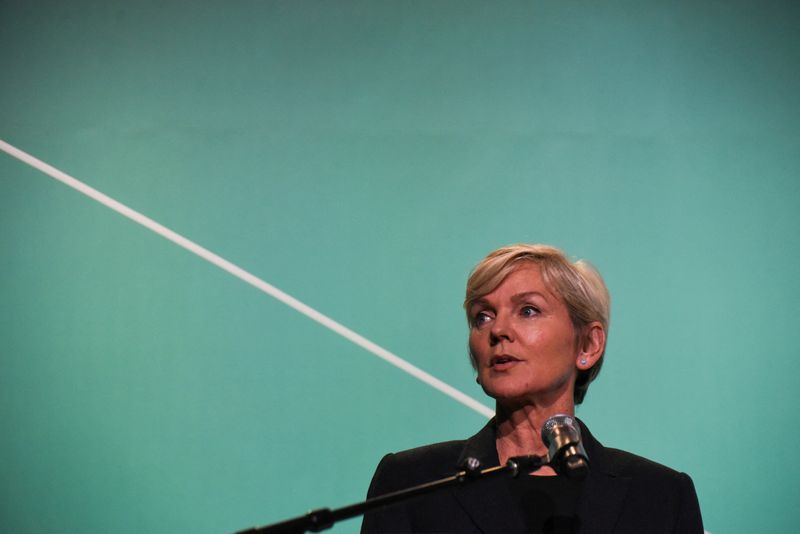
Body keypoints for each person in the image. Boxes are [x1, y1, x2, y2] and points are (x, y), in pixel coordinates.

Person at [361, 244, 703, 534]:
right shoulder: (411, 484)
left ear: (587, 345)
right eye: (483, 316)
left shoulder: (660, 495)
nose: (498, 330)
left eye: (528, 310)